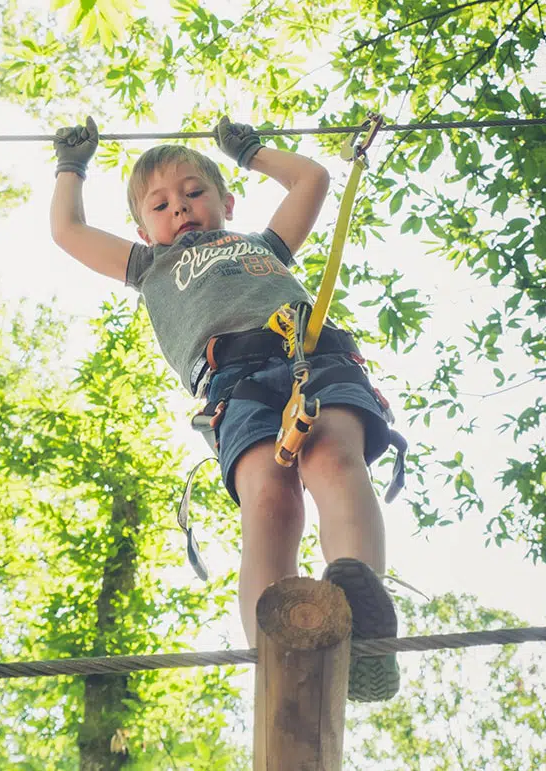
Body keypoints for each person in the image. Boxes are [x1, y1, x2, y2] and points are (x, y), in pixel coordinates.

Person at [50, 115, 400, 702]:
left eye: (193, 193)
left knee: (335, 462)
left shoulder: (263, 246)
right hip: (233, 384)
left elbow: (311, 180)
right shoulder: (147, 266)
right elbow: (68, 230)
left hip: (307, 354)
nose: (179, 208)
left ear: (227, 202)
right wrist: (71, 166)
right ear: (141, 227)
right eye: (159, 205)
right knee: (269, 502)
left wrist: (250, 150)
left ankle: (363, 630)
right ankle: (280, 656)